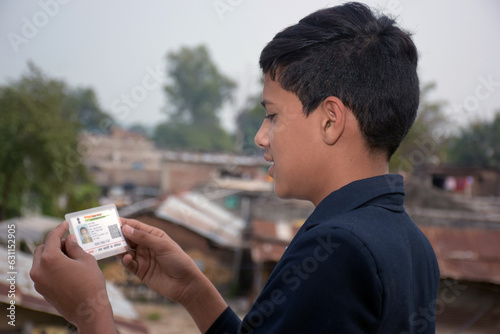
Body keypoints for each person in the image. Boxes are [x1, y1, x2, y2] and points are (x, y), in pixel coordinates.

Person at [30, 2, 440, 333]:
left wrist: (90, 313)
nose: (262, 138)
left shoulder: (339, 250)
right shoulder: (412, 245)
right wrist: (193, 290)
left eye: (273, 116)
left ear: (330, 120)